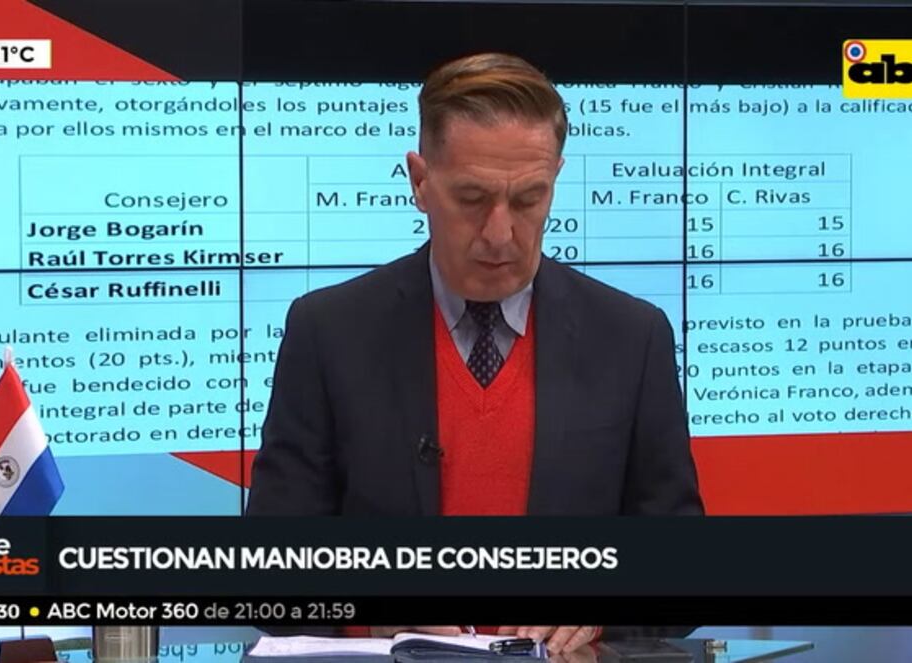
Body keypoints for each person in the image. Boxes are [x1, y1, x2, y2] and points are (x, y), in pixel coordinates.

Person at [246, 53, 704, 654]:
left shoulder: (631, 337)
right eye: (471, 198)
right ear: (418, 180)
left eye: (529, 199)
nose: (499, 234)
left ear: (556, 179)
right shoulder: (328, 332)